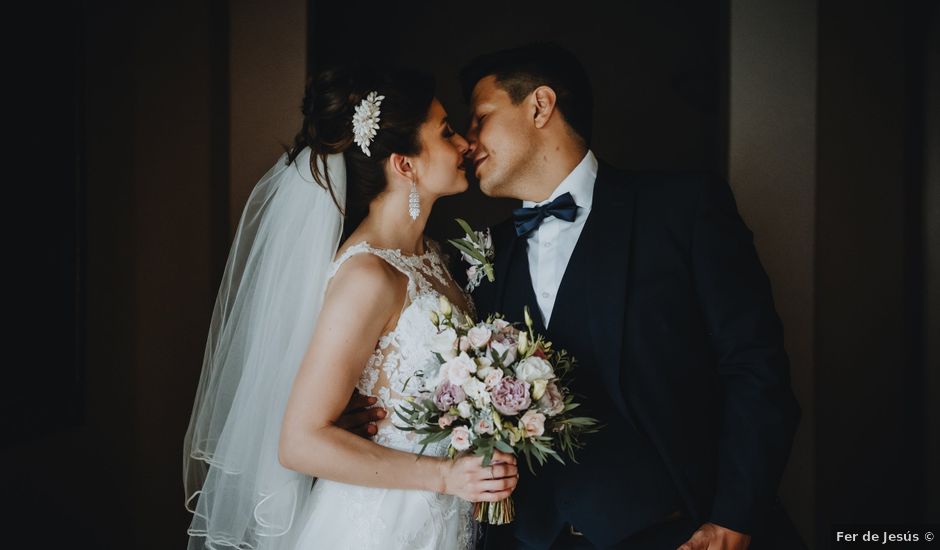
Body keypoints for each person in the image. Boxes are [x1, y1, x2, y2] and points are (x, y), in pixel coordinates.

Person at [457, 43, 803, 550]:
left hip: (680, 531)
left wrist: (735, 516)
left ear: (539, 105)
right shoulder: (483, 256)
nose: (468, 142)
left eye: (480, 118)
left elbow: (755, 366)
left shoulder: (681, 209)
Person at [183, 66, 518, 550]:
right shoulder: (367, 276)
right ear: (405, 164)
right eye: (446, 132)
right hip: (376, 528)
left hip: (440, 523)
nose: (465, 143)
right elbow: (300, 442)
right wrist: (445, 477)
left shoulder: (433, 257)